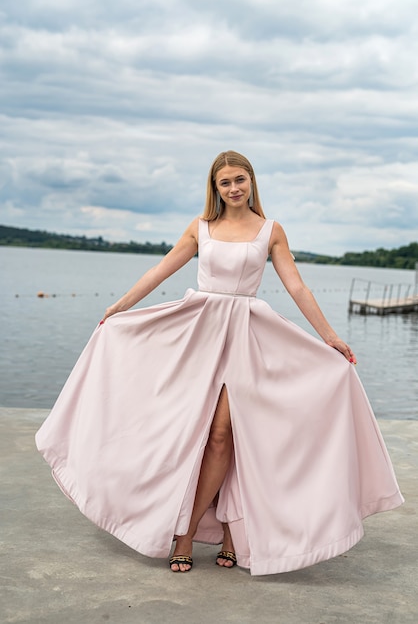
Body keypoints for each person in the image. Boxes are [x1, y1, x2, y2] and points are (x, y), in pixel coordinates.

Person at [36, 150, 403, 576]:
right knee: (197, 433)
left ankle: (192, 531)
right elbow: (162, 271)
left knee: (229, 433)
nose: (233, 188)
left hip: (248, 335)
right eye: (224, 182)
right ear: (215, 188)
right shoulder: (201, 228)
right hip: (199, 335)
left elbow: (298, 288)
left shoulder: (271, 231)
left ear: (252, 181)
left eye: (239, 180)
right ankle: (207, 531)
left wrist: (331, 338)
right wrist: (119, 306)